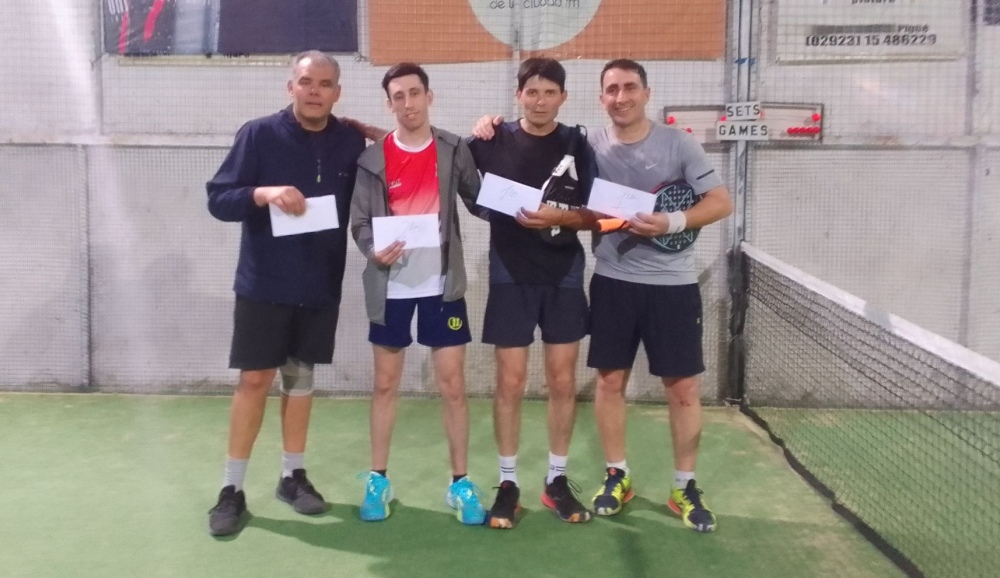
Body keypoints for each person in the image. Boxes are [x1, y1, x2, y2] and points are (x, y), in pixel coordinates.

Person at [472, 58, 733, 533]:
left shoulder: (654, 142)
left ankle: (673, 484)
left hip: (632, 283)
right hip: (591, 279)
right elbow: (470, 166)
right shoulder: (570, 140)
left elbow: (714, 202)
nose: (621, 97)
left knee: (663, 388)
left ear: (645, 93)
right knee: (578, 383)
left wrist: (670, 221)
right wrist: (486, 123)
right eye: (612, 89)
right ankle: (580, 479)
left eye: (629, 87)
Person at [205, 51, 366, 537]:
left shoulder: (350, 140)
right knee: (255, 381)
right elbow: (219, 199)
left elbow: (392, 165)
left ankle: (292, 477)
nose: (314, 90)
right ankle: (231, 489)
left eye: (324, 84)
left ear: (337, 92)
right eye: (305, 82)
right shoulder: (257, 134)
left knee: (300, 380)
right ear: (289, 87)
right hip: (264, 284)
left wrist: (379, 134)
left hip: (319, 284)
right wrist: (263, 193)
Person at [349, 62, 486, 525]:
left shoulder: (452, 149)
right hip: (391, 289)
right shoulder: (372, 162)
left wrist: (499, 140)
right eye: (398, 97)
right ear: (389, 104)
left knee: (452, 386)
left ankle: (460, 483)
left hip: (442, 289)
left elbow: (479, 199)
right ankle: (378, 479)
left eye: (414, 93)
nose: (407, 104)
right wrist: (373, 250)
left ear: (430, 96)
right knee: (385, 384)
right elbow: (360, 225)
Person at [465, 58, 599, 529]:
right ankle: (507, 483)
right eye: (532, 92)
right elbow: (454, 169)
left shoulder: (578, 143)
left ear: (562, 97)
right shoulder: (492, 140)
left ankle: (556, 481)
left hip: (563, 274)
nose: (540, 101)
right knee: (510, 383)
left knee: (562, 382)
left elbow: (597, 212)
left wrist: (558, 218)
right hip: (509, 273)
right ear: (518, 94)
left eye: (549, 93)